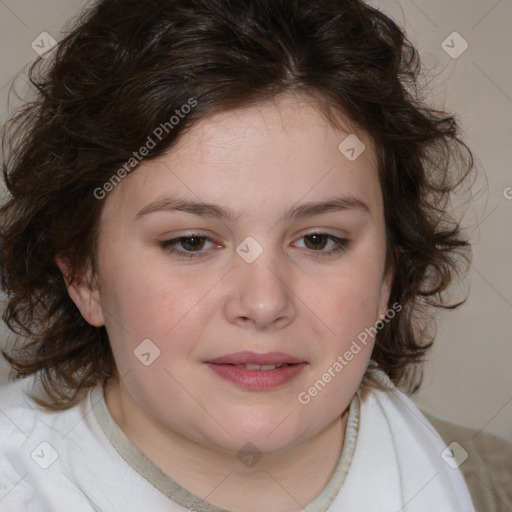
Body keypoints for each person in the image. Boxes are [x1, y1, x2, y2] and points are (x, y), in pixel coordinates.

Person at [0, 0, 510, 510]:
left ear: (387, 276)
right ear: (85, 276)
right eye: (191, 242)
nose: (264, 303)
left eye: (319, 240)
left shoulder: (489, 489)